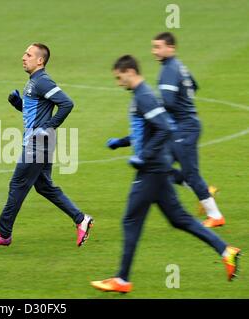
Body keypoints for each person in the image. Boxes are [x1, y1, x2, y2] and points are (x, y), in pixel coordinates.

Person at [91, 55, 240, 293]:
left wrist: (144, 156)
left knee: (130, 221)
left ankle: (122, 280)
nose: (119, 83)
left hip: (150, 171)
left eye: (119, 78)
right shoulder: (141, 96)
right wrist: (121, 142)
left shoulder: (144, 97)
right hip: (157, 170)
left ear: (130, 71)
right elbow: (148, 131)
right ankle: (226, 250)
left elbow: (166, 128)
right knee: (179, 219)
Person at [0, 43, 93, 248]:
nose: (23, 57)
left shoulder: (42, 81)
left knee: (17, 186)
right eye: (24, 53)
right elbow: (35, 112)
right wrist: (18, 104)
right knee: (43, 186)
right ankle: (81, 219)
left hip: (37, 144)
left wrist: (48, 126)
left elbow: (67, 103)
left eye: (29, 54)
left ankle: (4, 234)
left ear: (40, 60)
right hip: (40, 143)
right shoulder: (34, 82)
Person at [151, 31, 224, 227]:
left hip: (184, 129)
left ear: (171, 48)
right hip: (183, 126)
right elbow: (194, 86)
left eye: (158, 47)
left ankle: (216, 216)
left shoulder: (168, 69)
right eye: (153, 47)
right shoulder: (179, 66)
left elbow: (167, 102)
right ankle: (204, 191)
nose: (154, 51)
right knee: (159, 166)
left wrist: (148, 108)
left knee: (190, 172)